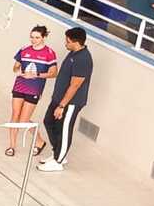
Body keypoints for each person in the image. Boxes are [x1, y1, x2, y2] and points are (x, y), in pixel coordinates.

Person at [35, 27, 92, 172]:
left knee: (64, 129)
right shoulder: (73, 52)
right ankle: (58, 153)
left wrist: (62, 106)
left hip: (70, 103)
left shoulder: (83, 59)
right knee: (48, 121)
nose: (65, 43)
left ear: (76, 42)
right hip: (59, 98)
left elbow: (75, 85)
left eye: (67, 41)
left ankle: (59, 161)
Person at [7, 25, 57, 156]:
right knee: (15, 116)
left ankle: (40, 141)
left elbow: (53, 73)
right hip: (19, 86)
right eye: (32, 37)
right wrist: (18, 72)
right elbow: (15, 67)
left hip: (34, 89)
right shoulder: (24, 50)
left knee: (24, 121)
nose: (33, 40)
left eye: (37, 37)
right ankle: (12, 146)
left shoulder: (49, 53)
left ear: (44, 37)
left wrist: (36, 75)